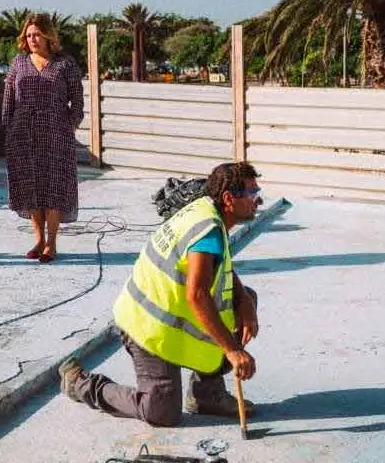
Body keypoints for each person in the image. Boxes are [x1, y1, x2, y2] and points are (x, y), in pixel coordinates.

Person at [57, 162, 261, 427]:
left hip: (170, 319)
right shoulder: (207, 232)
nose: (259, 200)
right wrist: (233, 350)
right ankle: (80, 384)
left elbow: (217, 269)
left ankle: (207, 395)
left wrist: (244, 300)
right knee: (161, 412)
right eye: (252, 194)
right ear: (228, 199)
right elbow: (198, 295)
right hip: (146, 326)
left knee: (244, 300)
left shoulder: (206, 211)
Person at [1, 14, 84, 263]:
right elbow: (7, 100)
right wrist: (8, 129)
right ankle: (37, 239)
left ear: (48, 36)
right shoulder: (19, 63)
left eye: (36, 34)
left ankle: (52, 243)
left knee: (53, 187)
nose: (32, 39)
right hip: (23, 134)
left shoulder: (65, 65)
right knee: (31, 188)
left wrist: (67, 126)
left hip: (56, 134)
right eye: (28, 35)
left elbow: (77, 102)